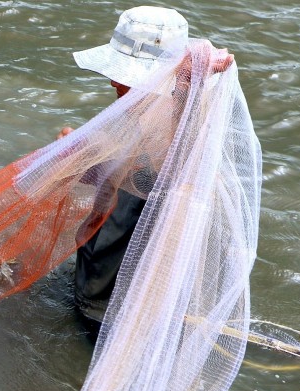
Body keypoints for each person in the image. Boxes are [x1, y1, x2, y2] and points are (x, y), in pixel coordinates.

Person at [55, 6, 233, 329]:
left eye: (125, 75)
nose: (112, 82)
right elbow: (134, 182)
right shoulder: (151, 115)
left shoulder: (178, 128)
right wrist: (90, 162)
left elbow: (159, 181)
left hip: (111, 303)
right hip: (112, 284)